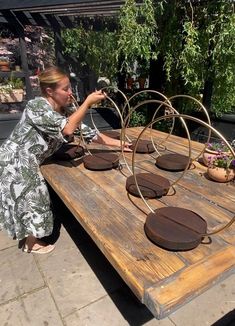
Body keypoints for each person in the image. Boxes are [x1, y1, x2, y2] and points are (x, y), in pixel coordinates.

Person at [0, 66, 131, 254]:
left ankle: (29, 237)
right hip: (16, 160)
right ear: (49, 91)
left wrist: (118, 144)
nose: (70, 93)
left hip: (31, 159)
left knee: (30, 199)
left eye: (70, 87)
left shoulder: (64, 108)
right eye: (65, 89)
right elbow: (68, 130)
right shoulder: (36, 107)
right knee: (35, 198)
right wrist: (87, 103)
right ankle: (31, 243)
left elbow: (85, 131)